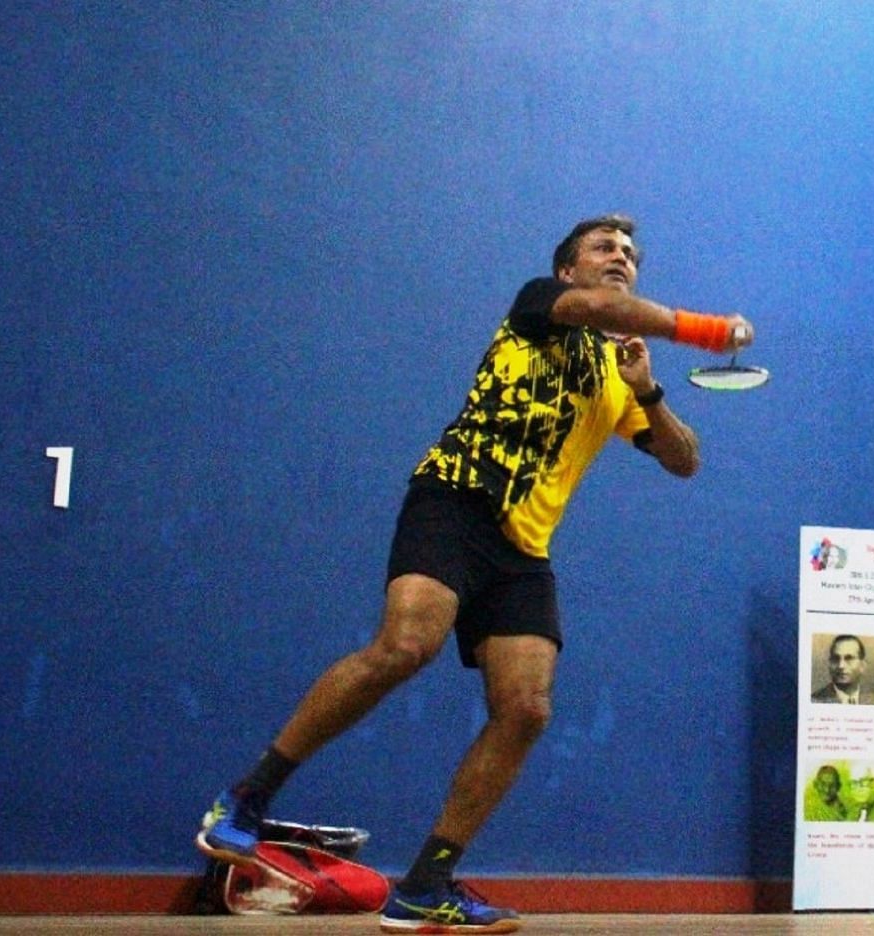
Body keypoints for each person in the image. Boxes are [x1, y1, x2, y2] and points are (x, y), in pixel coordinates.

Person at [193, 215, 752, 934]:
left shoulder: (614, 372)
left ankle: (426, 883)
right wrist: (707, 330)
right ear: (569, 270)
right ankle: (244, 800)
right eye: (606, 250)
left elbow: (685, 460)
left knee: (526, 708)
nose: (623, 260)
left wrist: (647, 391)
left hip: (523, 551)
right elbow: (601, 311)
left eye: (632, 254)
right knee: (405, 647)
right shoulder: (539, 307)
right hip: (456, 499)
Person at [812, 634, 874, 704]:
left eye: (849, 658)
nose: (841, 666)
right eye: (836, 659)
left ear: (862, 666)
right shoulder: (815, 700)